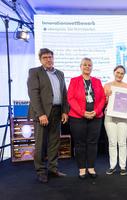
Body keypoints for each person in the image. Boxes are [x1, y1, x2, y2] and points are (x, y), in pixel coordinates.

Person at [27, 48, 69, 183]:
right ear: (40, 59)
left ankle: (52, 169)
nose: (48, 59)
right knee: (40, 144)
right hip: (42, 114)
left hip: (57, 112)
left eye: (50, 57)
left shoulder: (60, 74)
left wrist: (65, 111)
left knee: (54, 142)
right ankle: (40, 171)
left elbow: (64, 94)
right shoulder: (35, 72)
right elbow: (33, 95)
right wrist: (41, 114)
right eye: (45, 57)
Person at [67, 58, 105, 179]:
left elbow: (103, 98)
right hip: (78, 117)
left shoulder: (98, 81)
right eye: (85, 65)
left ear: (92, 67)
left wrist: (96, 111)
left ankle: (91, 167)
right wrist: (83, 112)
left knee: (92, 143)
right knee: (80, 143)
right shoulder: (74, 81)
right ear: (80, 66)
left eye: (89, 65)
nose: (87, 67)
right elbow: (70, 98)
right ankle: (82, 169)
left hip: (96, 116)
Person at [104, 65, 127, 176]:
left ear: (123, 75)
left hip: (123, 118)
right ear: (114, 72)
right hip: (110, 117)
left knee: (122, 143)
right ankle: (113, 166)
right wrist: (107, 97)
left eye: (122, 73)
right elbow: (103, 102)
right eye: (118, 72)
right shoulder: (107, 86)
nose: (119, 75)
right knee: (112, 143)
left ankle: (123, 166)